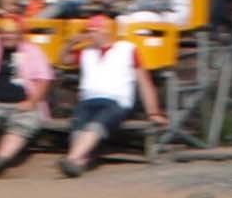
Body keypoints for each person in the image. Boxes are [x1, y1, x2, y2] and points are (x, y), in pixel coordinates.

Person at [62, 14, 164, 177]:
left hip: (116, 100)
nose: (90, 34)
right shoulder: (87, 51)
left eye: (93, 31)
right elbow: (64, 59)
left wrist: (153, 112)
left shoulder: (127, 49)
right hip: (88, 99)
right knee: (79, 124)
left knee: (97, 123)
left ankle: (72, 158)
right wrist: (70, 42)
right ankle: (77, 162)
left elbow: (144, 81)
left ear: (105, 31)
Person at [0, 17, 53, 177]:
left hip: (23, 103)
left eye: (12, 33)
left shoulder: (33, 52)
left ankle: (0, 160)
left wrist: (32, 102)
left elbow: (44, 80)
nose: (8, 36)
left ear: (20, 34)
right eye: (5, 32)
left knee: (24, 122)